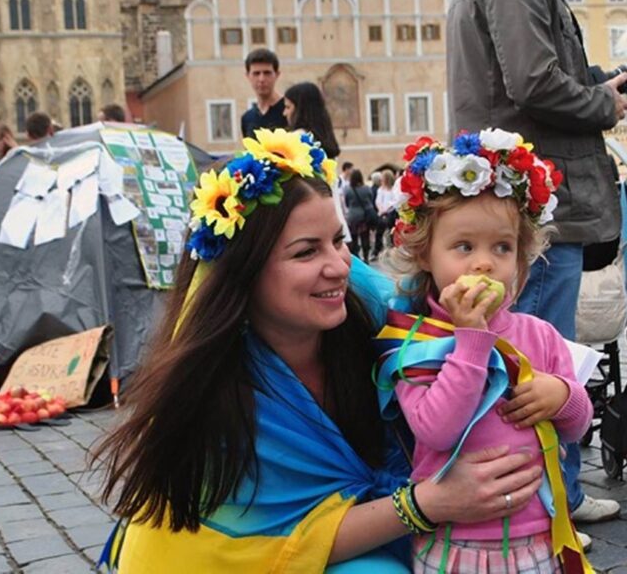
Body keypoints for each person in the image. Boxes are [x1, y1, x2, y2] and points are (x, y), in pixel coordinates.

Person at [93, 129, 544, 573]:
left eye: (339, 241)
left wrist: (556, 393)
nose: (339, 267)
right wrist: (429, 503)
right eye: (306, 253)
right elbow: (269, 547)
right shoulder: (214, 391)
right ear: (244, 272)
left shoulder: (376, 316)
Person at [447, 0, 624, 531]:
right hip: (538, 199)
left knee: (539, 352)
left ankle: (559, 494)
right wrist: (603, 103)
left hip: (532, 193)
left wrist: (600, 85)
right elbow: (533, 82)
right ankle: (548, 510)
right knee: (537, 359)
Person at [383, 130, 592, 573]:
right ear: (425, 255)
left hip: (537, 540)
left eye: (502, 247)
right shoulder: (416, 342)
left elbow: (576, 427)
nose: (484, 262)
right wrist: (471, 341)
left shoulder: (539, 335)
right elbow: (437, 430)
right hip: (454, 547)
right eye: (464, 247)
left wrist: (562, 396)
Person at [282, 81, 349, 241]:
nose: (285, 113)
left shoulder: (297, 138)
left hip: (312, 225)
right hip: (336, 220)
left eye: (288, 107)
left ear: (300, 109)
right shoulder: (325, 140)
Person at [240, 48, 288, 138]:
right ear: (248, 76)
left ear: (277, 75)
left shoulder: (289, 111)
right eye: (256, 73)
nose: (261, 79)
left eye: (267, 73)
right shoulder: (247, 118)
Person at [344, 169, 375, 263]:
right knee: (365, 237)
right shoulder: (366, 188)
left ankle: (355, 257)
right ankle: (366, 257)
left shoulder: (348, 189)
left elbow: (347, 202)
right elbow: (371, 199)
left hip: (352, 216)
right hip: (364, 216)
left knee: (354, 237)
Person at [373, 169, 397, 260]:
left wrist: (386, 209)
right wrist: (381, 209)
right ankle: (377, 250)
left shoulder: (393, 190)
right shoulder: (380, 190)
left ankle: (391, 249)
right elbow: (378, 201)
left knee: (391, 232)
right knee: (379, 233)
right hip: (381, 213)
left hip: (390, 213)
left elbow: (394, 202)